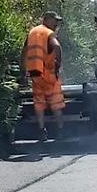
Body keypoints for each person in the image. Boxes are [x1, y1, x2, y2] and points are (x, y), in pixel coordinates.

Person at [23, 10, 65, 143]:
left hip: (35, 75)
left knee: (39, 103)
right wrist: (57, 66)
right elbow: (57, 47)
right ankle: (60, 131)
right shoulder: (48, 33)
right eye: (54, 21)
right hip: (49, 75)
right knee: (56, 103)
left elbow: (24, 51)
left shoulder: (32, 32)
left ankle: (42, 132)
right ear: (46, 20)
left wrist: (22, 70)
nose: (56, 24)